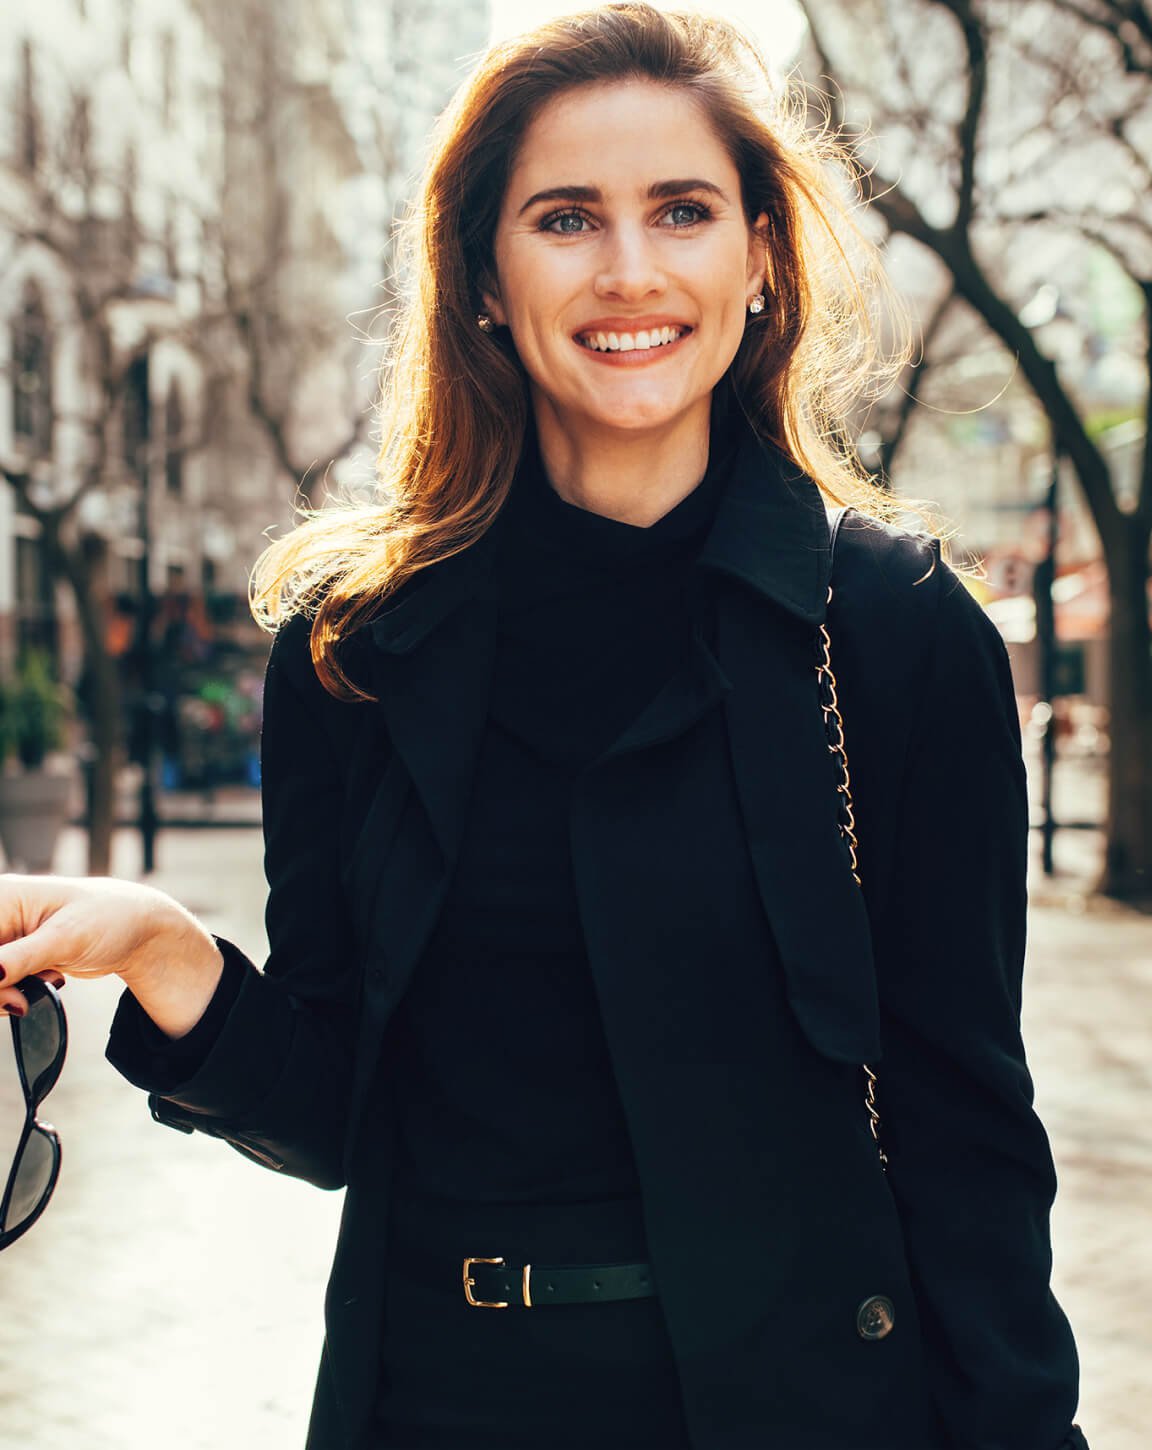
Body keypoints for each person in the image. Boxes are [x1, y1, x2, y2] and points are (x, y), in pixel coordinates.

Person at [0, 6, 1089, 1448]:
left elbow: (968, 1132)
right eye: (566, 217)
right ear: (485, 280)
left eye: (684, 211)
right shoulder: (355, 643)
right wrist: (163, 950)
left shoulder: (889, 630)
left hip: (807, 1407)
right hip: (440, 1402)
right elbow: (338, 1108)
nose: (631, 269)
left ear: (759, 258)